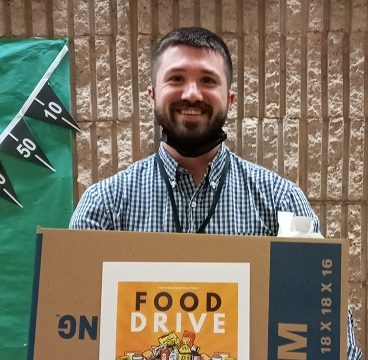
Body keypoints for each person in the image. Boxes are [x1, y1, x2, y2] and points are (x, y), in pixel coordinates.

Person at [69, 27, 362, 358]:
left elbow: (334, 342)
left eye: (208, 81)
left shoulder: (281, 203)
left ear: (230, 98)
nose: (192, 93)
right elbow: (67, 332)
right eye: (176, 78)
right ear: (152, 94)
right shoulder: (105, 207)